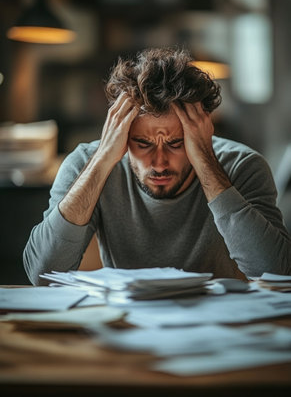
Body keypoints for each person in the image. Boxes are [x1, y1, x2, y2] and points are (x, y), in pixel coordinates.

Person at [23, 47, 291, 285]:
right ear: (121, 134)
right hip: (125, 325)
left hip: (220, 328)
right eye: (143, 143)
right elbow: (42, 273)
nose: (159, 162)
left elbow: (276, 273)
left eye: (175, 143)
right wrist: (103, 159)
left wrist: (206, 161)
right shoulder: (86, 164)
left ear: (202, 131)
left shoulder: (244, 166)